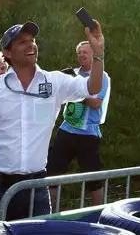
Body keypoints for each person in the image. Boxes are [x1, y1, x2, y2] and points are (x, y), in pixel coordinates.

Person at [0, 19, 105, 224]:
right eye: (22, 42)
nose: (30, 45)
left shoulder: (54, 82)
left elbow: (92, 88)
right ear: (7, 53)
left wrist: (98, 54)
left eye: (32, 40)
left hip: (36, 187)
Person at [47, 41, 112, 206]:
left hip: (88, 133)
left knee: (93, 178)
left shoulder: (101, 76)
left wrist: (78, 93)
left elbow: (97, 102)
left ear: (93, 55)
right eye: (79, 52)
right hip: (67, 129)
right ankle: (46, 211)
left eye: (85, 52)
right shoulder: (72, 74)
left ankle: (99, 212)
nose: (82, 55)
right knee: (52, 173)